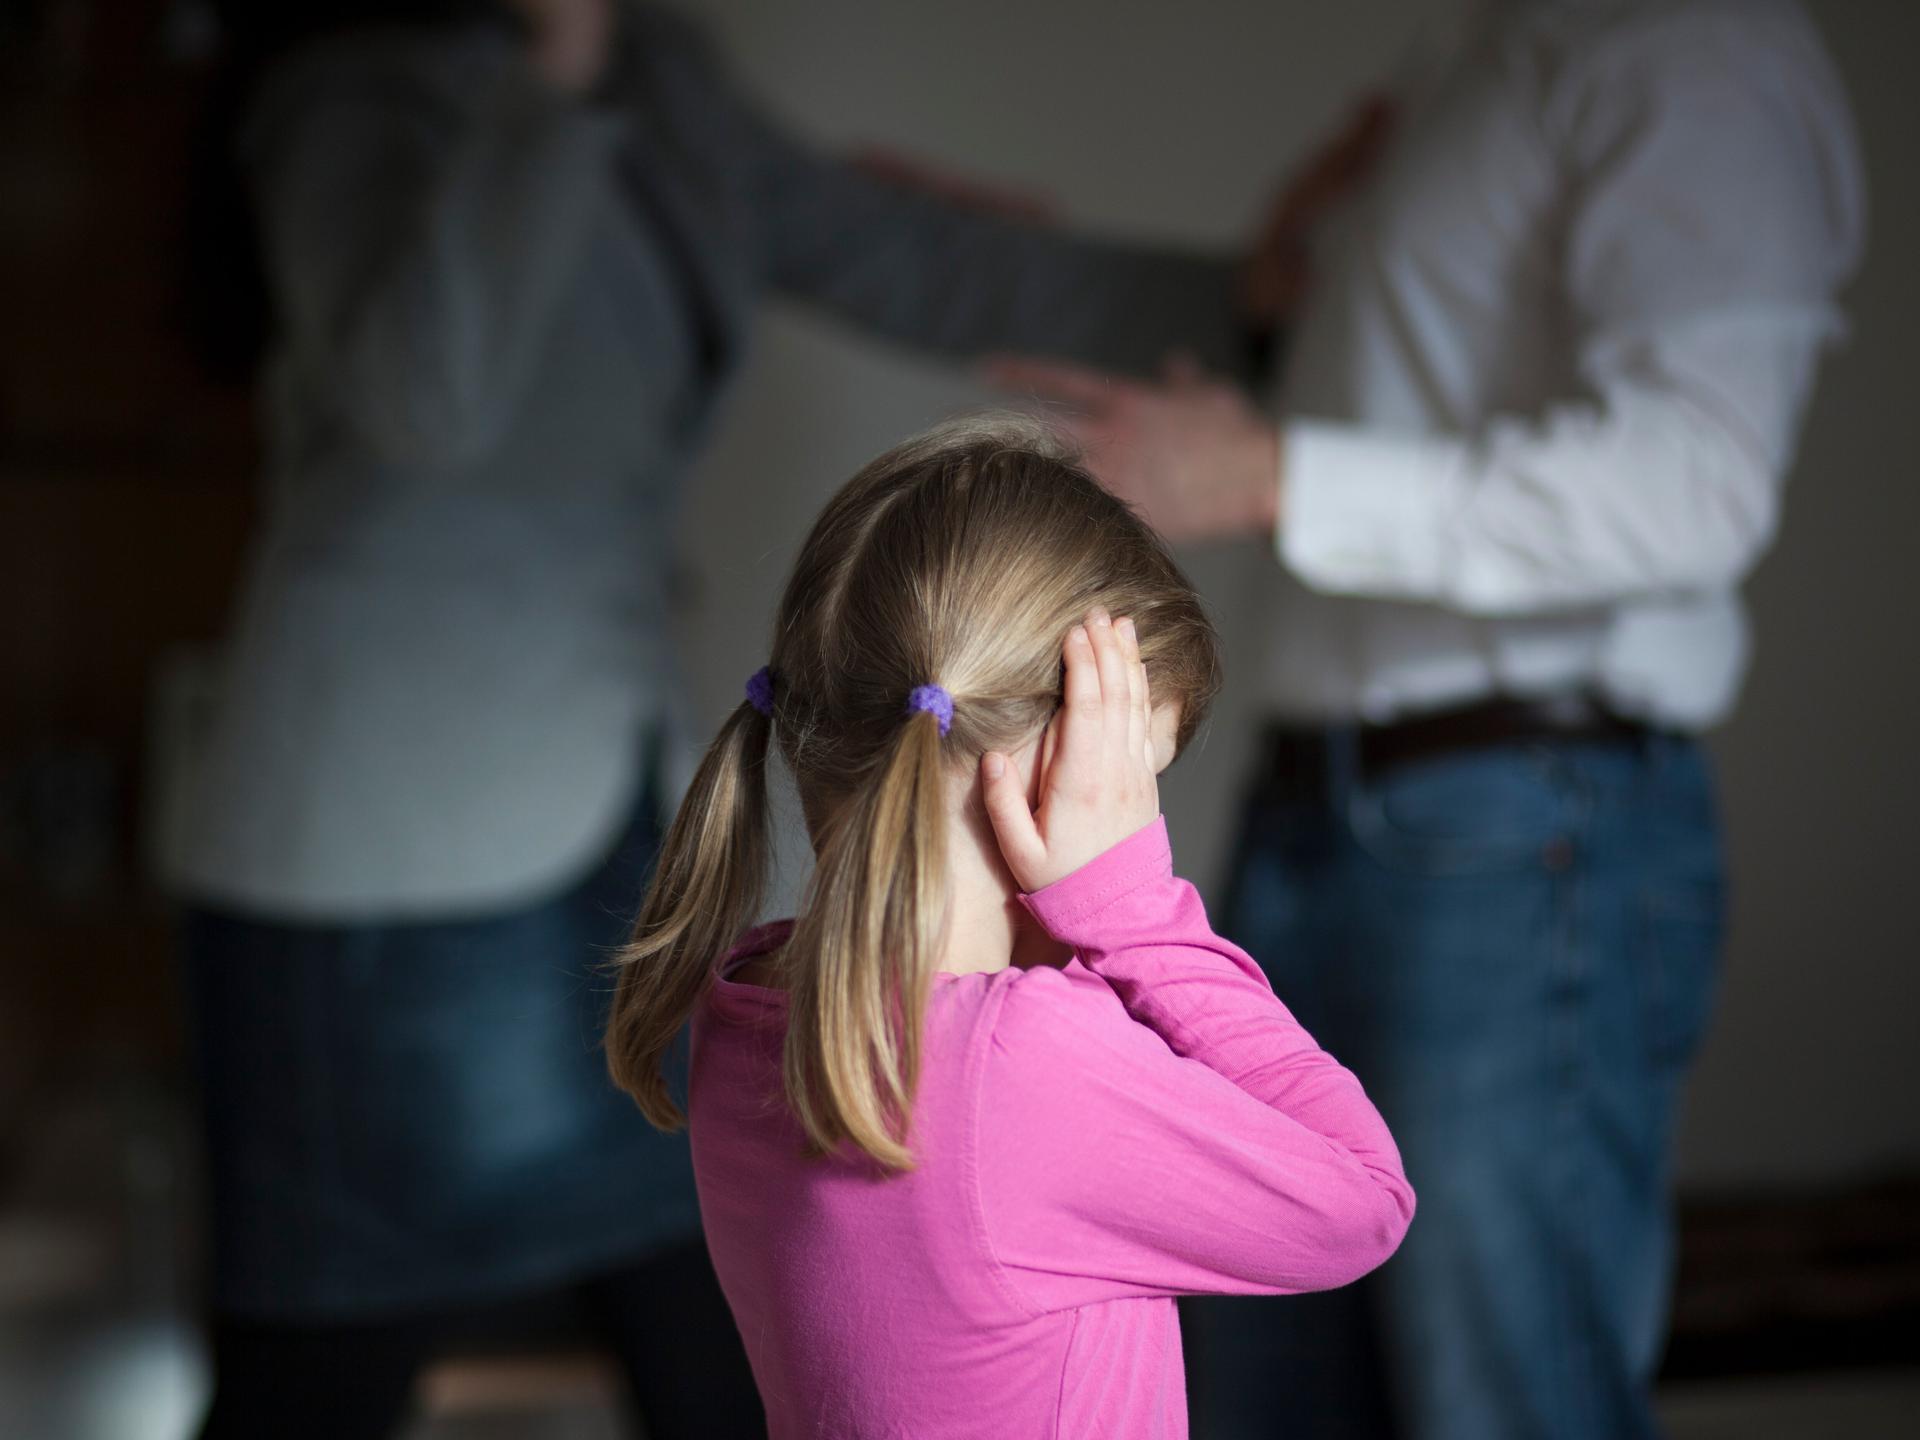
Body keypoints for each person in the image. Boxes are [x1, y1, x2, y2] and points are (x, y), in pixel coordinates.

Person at [171, 3, 1265, 1436]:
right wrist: (550, 71)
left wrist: (1284, 302)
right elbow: (419, 397)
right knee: (322, 1375)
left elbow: (916, 256)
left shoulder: (668, 81)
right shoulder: (345, 94)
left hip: (605, 811)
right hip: (382, 853)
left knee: (719, 1339)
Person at [991, 1, 1865, 1436]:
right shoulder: (1478, 53)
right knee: (1263, 1396)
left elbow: (1700, 480)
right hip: (1332, 810)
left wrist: (1276, 472)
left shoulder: (1695, 50)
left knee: (1503, 1400)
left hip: (1520, 835)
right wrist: (1293, 318)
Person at [603, 417, 1415, 1439]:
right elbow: (1365, 1201)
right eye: (1135, 784)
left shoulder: (744, 1009)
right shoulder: (1018, 1064)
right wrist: (1133, 910)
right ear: (1049, 774)